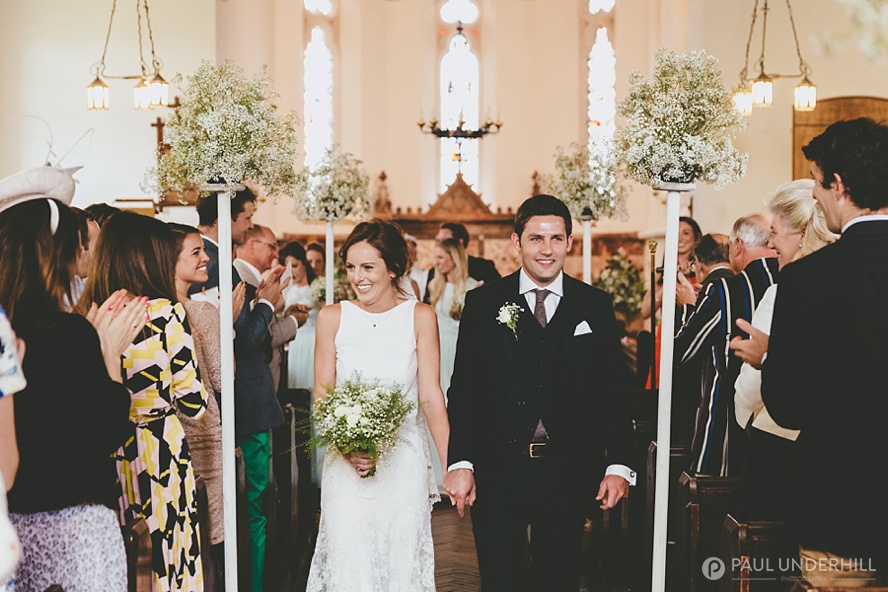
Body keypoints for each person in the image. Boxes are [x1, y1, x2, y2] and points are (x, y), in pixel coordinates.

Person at [445, 194, 634, 591]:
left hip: (569, 470)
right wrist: (460, 461)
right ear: (517, 242)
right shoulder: (483, 304)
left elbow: (613, 391)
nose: (546, 250)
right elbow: (464, 390)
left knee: (559, 580)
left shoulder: (594, 306)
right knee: (500, 581)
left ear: (569, 243)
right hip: (498, 469)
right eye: (535, 239)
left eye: (555, 239)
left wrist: (618, 465)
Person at [1, 166, 144, 592]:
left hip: (12, 523)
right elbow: (106, 430)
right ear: (56, 252)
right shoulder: (69, 333)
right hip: (74, 529)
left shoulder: (12, 328)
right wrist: (108, 356)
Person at [761, 118, 888, 585]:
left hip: (841, 509)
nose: (813, 194)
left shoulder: (806, 279)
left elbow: (787, 405)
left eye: (816, 180)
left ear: (838, 184)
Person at [306, 219, 449, 591]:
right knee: (349, 562)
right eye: (351, 267)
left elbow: (431, 396)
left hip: (403, 464)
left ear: (393, 268)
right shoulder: (332, 317)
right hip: (346, 466)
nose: (358, 277)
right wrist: (349, 445)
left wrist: (454, 466)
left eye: (368, 267)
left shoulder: (420, 317)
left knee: (401, 563)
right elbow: (323, 395)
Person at [78, 212, 208, 591]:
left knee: (126, 551)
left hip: (109, 451)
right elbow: (194, 402)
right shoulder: (166, 315)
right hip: (159, 450)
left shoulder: (89, 313)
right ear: (149, 257)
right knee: (168, 548)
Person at [726, 181, 836, 525]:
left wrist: (746, 419)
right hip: (828, 450)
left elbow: (750, 387)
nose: (771, 243)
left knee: (764, 553)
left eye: (774, 232)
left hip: (776, 441)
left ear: (801, 235)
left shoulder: (782, 293)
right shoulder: (842, 285)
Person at [675, 214, 778, 477]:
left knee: (711, 506)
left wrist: (687, 307)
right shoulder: (795, 281)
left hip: (726, 428)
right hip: (779, 429)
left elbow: (681, 353)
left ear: (738, 246)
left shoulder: (725, 290)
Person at [169, 223, 228, 580]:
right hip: (203, 432)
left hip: (167, 437)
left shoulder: (147, 309)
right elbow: (223, 377)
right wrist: (229, 326)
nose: (206, 256)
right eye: (196, 251)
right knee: (211, 541)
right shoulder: (202, 312)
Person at [425, 237, 479, 490]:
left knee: (456, 407)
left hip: (460, 349)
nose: (437, 262)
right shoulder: (435, 285)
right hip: (437, 349)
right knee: (434, 406)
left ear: (454, 257)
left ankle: (461, 466)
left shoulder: (471, 286)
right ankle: (436, 471)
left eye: (441, 256)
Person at [671, 233, 733, 447]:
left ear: (697, 262)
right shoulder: (742, 285)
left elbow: (680, 353)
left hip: (705, 403)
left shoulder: (715, 290)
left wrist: (687, 307)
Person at [641, 216, 702, 388]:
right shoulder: (664, 271)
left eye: (686, 233)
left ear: (696, 238)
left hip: (693, 334)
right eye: (676, 233)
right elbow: (645, 311)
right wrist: (669, 278)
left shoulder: (701, 270)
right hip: (666, 334)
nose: (680, 238)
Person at [189, 188, 257, 298]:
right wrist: (266, 303)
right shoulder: (213, 265)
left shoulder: (209, 257)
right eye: (247, 218)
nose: (251, 225)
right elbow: (215, 315)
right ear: (223, 218)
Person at [426, 222, 500, 287]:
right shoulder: (433, 273)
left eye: (445, 240)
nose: (440, 244)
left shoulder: (484, 267)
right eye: (438, 240)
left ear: (460, 242)